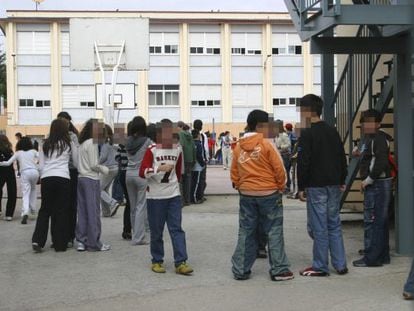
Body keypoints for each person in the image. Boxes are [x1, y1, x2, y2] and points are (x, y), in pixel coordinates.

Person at [230, 109, 293, 282]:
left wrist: (240, 185)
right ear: (259, 126)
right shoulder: (267, 144)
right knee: (273, 230)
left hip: (247, 194)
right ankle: (279, 269)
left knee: (246, 231)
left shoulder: (238, 147)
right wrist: (281, 186)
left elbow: (234, 171)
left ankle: (240, 269)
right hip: (269, 193)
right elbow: (279, 169)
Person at [297, 94, 348, 277]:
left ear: (306, 111)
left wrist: (301, 187)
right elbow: (341, 156)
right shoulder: (332, 130)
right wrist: (342, 178)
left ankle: (320, 266)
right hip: (334, 184)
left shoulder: (307, 132)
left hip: (316, 185)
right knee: (333, 224)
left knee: (318, 227)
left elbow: (304, 162)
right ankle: (340, 264)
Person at [139, 119, 193, 275]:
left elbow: (179, 172)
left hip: (173, 195)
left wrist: (178, 190)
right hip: (155, 196)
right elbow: (142, 172)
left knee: (176, 229)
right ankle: (156, 260)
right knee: (156, 231)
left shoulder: (178, 149)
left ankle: (181, 261)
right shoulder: (152, 150)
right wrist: (158, 168)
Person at [353, 109, 393, 267]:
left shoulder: (379, 139)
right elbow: (373, 158)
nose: (365, 125)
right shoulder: (372, 138)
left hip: (378, 184)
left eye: (369, 122)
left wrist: (368, 180)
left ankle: (373, 258)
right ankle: (381, 255)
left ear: (378, 124)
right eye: (364, 122)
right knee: (379, 221)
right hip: (379, 183)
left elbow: (381, 162)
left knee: (374, 220)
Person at [31, 118, 78, 253]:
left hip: (47, 178)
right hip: (63, 177)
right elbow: (75, 163)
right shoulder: (69, 144)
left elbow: (41, 166)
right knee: (61, 210)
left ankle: (37, 240)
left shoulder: (44, 144)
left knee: (45, 209)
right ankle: (60, 243)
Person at [76, 119, 111, 252]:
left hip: (81, 178)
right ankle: (94, 242)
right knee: (93, 211)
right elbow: (93, 164)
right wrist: (104, 169)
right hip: (91, 179)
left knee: (83, 211)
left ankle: (81, 240)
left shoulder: (82, 143)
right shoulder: (92, 143)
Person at [0, 137, 39, 224]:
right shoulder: (33, 151)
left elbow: (8, 163)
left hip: (25, 173)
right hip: (35, 172)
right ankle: (33, 209)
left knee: (26, 193)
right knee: (33, 190)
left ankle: (25, 212)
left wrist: (1, 163)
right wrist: (37, 165)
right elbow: (41, 158)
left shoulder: (18, 153)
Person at [126, 116, 152, 245]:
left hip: (128, 174)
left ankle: (134, 234)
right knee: (141, 206)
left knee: (133, 206)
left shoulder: (128, 141)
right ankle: (139, 237)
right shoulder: (147, 141)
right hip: (141, 175)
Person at [57, 111, 79, 247]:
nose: (64, 123)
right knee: (59, 206)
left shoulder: (73, 136)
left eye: (65, 121)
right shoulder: (53, 136)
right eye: (60, 121)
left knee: (71, 205)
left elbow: (76, 156)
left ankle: (70, 235)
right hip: (59, 172)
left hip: (71, 172)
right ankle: (60, 235)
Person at [99, 124, 121, 218]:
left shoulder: (105, 143)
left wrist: (95, 162)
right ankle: (106, 212)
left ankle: (113, 203)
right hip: (115, 168)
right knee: (104, 189)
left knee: (97, 189)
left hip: (107, 169)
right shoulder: (113, 142)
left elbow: (103, 157)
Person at [177, 121, 195, 206]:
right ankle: (187, 200)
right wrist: (193, 160)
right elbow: (193, 148)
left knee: (180, 180)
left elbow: (181, 146)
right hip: (190, 159)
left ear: (179, 127)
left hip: (183, 159)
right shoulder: (190, 135)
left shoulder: (180, 134)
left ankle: (182, 201)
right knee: (188, 180)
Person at [115, 141, 131, 240]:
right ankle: (138, 228)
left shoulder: (121, 145)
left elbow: (117, 158)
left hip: (123, 173)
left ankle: (127, 230)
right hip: (134, 172)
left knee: (129, 203)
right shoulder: (142, 143)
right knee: (137, 204)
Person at [0, 135, 17, 221]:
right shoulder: (10, 150)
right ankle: (9, 214)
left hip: (0, 171)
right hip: (10, 172)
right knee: (12, 192)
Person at [193, 119, 208, 201]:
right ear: (201, 126)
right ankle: (199, 196)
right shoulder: (202, 136)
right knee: (201, 179)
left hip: (192, 161)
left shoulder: (190, 134)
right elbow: (205, 148)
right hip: (201, 161)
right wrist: (205, 160)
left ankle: (195, 195)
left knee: (194, 180)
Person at [275, 120, 291, 193]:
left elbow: (288, 144)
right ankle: (282, 185)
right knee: (280, 171)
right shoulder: (276, 134)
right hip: (279, 154)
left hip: (285, 155)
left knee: (285, 171)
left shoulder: (284, 135)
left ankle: (287, 186)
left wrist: (280, 147)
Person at [190, 129, 205, 204]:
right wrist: (203, 164)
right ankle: (194, 198)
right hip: (197, 166)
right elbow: (199, 155)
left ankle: (192, 197)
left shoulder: (191, 143)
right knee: (196, 183)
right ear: (198, 135)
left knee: (192, 182)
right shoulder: (198, 144)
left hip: (192, 165)